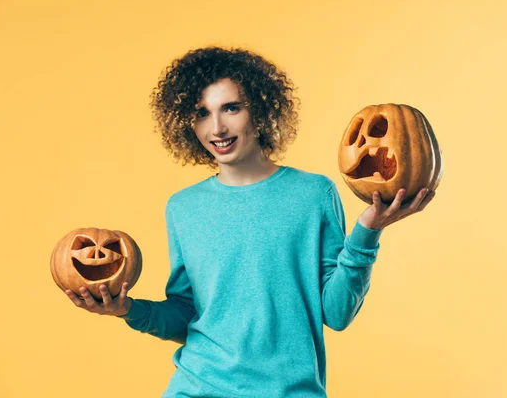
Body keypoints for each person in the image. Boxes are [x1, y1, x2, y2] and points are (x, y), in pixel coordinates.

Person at [64, 46, 436, 397]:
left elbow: (336, 314)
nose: (216, 129)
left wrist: (368, 231)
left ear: (258, 111)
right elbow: (186, 314)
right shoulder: (182, 207)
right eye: (201, 113)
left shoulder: (313, 194)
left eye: (231, 108)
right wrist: (128, 310)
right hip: (196, 387)